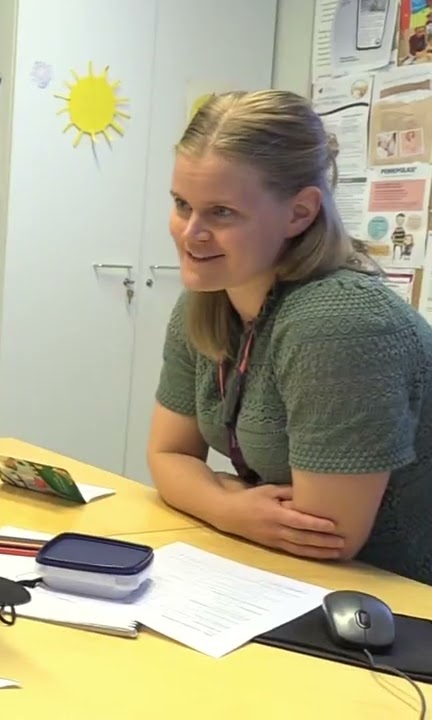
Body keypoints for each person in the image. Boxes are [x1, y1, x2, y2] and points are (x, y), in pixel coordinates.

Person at [149, 89, 432, 586]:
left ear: (299, 213)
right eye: (181, 205)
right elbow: (167, 456)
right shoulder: (207, 301)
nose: (190, 233)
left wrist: (213, 491)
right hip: (300, 578)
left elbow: (326, 535)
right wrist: (230, 507)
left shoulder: (339, 321)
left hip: (396, 594)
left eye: (222, 212)